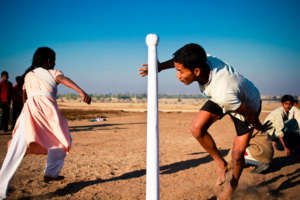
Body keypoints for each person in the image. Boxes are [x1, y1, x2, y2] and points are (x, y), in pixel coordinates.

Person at [139, 43, 271, 199]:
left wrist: (259, 126)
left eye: (180, 72)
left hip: (247, 106)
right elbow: (178, 61)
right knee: (196, 128)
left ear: (196, 71)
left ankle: (231, 188)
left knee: (237, 154)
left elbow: (246, 112)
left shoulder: (223, 92)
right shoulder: (203, 59)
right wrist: (160, 66)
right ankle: (221, 163)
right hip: (225, 97)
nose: (177, 75)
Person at [0, 47, 91, 200]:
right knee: (63, 139)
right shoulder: (52, 73)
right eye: (53, 59)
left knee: (17, 147)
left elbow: (24, 95)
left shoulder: (29, 75)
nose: (55, 62)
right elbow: (64, 79)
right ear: (48, 60)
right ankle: (51, 173)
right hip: (47, 111)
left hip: (30, 111)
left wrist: (25, 110)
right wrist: (81, 91)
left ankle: (2, 189)